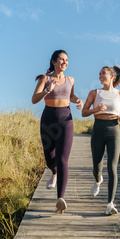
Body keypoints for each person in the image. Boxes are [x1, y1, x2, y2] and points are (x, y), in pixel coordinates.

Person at [32, 50, 83, 214]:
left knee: (63, 160)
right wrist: (47, 89)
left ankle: (60, 199)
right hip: (48, 120)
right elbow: (34, 99)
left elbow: (71, 95)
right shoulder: (44, 79)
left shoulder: (71, 79)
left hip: (66, 121)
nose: (65, 62)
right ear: (53, 61)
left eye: (67, 59)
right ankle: (53, 172)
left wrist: (78, 101)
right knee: (49, 156)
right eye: (61, 59)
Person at [82, 65, 120, 215]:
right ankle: (98, 180)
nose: (100, 75)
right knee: (97, 165)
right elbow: (84, 112)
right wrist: (95, 110)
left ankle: (110, 204)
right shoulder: (94, 93)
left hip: (114, 129)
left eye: (103, 73)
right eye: (99, 74)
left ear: (112, 76)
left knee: (112, 167)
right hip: (98, 129)